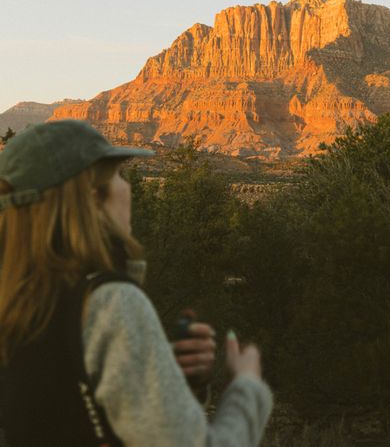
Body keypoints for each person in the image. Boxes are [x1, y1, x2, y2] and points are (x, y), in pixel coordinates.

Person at [0, 120, 272, 446]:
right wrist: (248, 387)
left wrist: (175, 384)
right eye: (119, 175)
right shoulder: (109, 302)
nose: (127, 187)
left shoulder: (17, 300)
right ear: (92, 196)